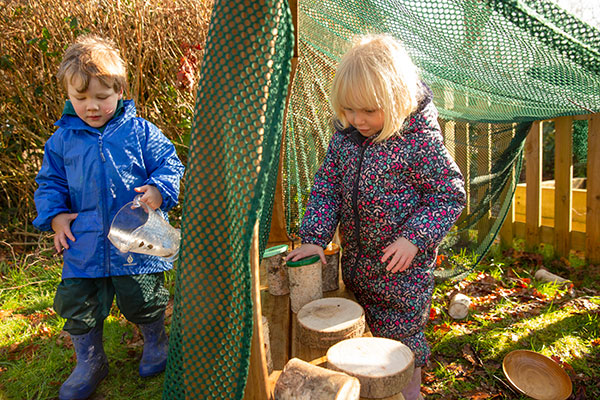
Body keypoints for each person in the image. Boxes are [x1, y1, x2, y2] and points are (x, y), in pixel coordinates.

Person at [286, 34, 466, 400]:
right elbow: (327, 189)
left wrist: (414, 238)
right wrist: (314, 237)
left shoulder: (419, 142)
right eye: (349, 110)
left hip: (402, 276)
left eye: (369, 111)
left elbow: (449, 194)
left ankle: (409, 394)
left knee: (401, 348)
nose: (357, 120)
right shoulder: (346, 139)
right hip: (357, 267)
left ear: (397, 100)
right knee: (361, 345)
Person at [33, 35, 185, 400]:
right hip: (83, 242)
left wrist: (158, 190)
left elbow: (170, 164)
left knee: (141, 296)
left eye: (102, 97)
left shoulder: (140, 132)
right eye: (80, 98)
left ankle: (155, 341)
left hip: (135, 237)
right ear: (68, 95)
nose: (92, 106)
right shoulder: (61, 141)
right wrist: (55, 217)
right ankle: (89, 359)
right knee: (78, 302)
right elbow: (49, 183)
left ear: (119, 90)